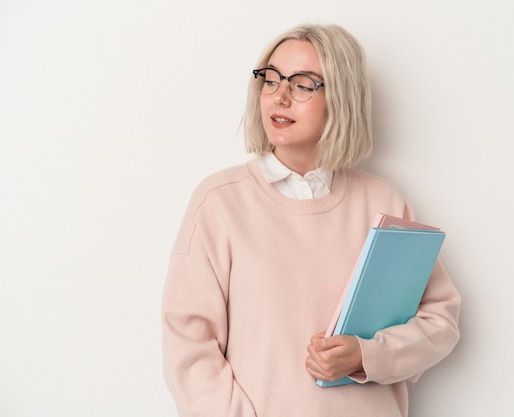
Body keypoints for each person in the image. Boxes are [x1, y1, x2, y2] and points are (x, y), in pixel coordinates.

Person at [161, 23, 461, 417]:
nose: (279, 96)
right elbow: (189, 345)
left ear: (341, 98)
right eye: (270, 79)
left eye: (302, 84)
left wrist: (365, 356)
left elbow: (440, 320)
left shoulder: (382, 201)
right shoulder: (219, 202)